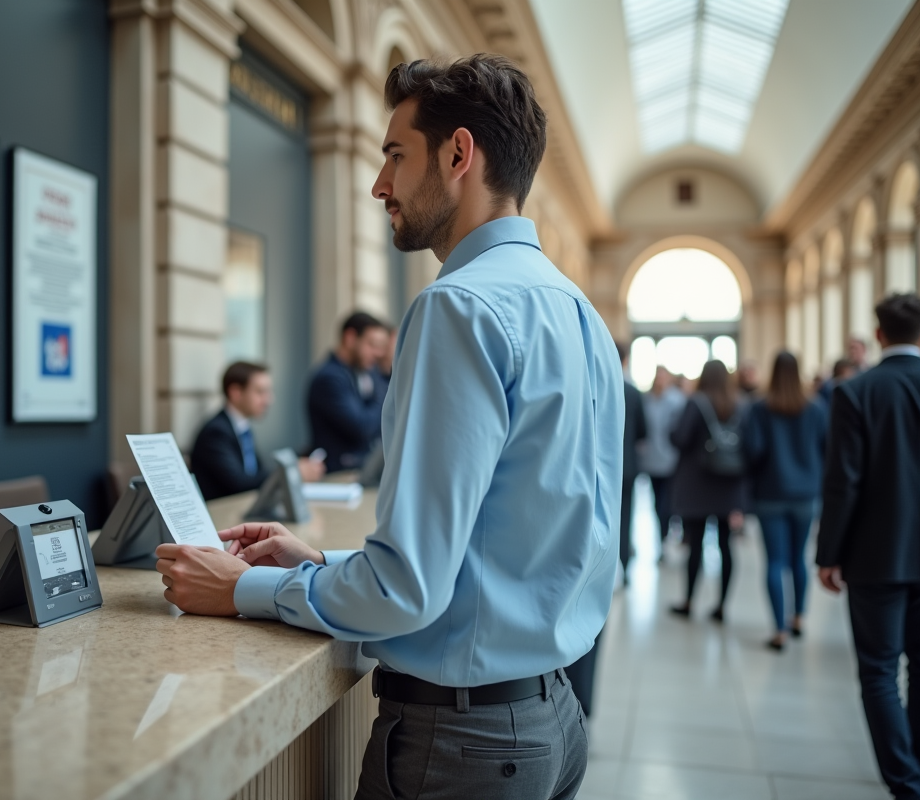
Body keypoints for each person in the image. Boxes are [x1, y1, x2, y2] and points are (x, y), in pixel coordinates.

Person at [153, 54, 622, 799]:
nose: (379, 185)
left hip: (461, 745)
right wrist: (311, 568)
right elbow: (509, 551)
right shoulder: (578, 314)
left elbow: (408, 591)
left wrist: (242, 588)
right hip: (552, 720)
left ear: (459, 154)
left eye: (395, 155)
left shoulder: (457, 307)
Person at [817, 293, 920, 800]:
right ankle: (915, 762)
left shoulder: (855, 392)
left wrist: (828, 553)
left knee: (880, 666)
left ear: (879, 335)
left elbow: (843, 481)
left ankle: (906, 780)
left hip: (874, 549)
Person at [741, 352, 827, 651]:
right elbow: (826, 449)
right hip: (805, 494)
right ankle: (799, 617)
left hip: (770, 492)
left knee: (775, 561)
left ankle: (779, 628)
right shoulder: (815, 408)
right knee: (798, 558)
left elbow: (753, 450)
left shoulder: (760, 409)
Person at [669, 360, 746, 622]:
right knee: (726, 546)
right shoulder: (740, 404)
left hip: (698, 486)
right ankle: (723, 605)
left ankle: (689, 601)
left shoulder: (696, 402)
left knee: (696, 546)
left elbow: (680, 438)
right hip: (729, 486)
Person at [191, 362, 325, 501]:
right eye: (261, 392)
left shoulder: (242, 427)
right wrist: (292, 472)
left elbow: (256, 474)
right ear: (235, 393)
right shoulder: (216, 432)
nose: (269, 400)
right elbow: (239, 483)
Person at [306, 312, 390, 472]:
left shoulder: (362, 373)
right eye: (372, 345)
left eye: (381, 348)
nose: (378, 354)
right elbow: (362, 427)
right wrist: (385, 396)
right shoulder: (329, 378)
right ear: (350, 338)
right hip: (336, 475)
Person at [640, 365, 686, 560]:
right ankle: (661, 540)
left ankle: (672, 538)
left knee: (670, 503)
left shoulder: (677, 400)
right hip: (652, 459)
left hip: (671, 459)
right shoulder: (647, 400)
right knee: (658, 503)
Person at [616, 341, 647, 585]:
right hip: (626, 465)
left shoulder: (592, 387)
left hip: (595, 467)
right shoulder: (632, 392)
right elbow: (642, 432)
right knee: (625, 516)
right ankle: (624, 566)